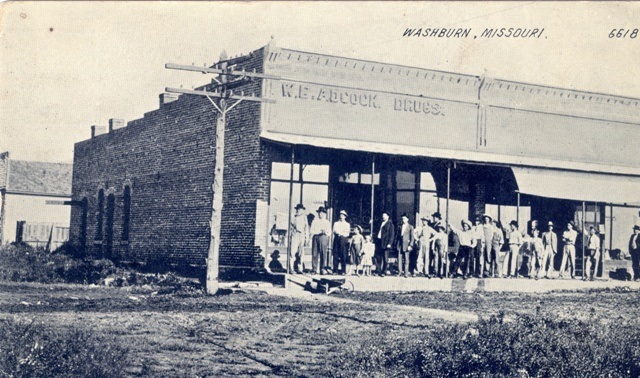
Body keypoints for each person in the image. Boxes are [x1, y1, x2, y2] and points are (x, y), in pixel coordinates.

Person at [309, 206, 331, 274]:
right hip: (316, 237)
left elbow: (329, 232)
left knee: (323, 253)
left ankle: (322, 268)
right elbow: (312, 230)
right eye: (319, 213)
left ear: (324, 214)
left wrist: (325, 232)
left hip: (323, 237)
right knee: (315, 253)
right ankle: (314, 269)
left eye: (321, 213)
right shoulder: (315, 221)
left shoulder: (327, 222)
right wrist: (319, 231)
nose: (320, 214)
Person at [290, 204, 309, 274]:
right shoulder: (293, 217)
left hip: (302, 235)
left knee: (301, 253)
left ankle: (300, 268)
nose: (299, 210)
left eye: (300, 209)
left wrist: (307, 237)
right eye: (298, 209)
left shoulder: (304, 218)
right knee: (293, 251)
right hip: (295, 235)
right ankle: (291, 268)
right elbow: (291, 227)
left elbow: (306, 228)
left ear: (303, 210)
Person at [376, 211, 395, 277]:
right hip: (379, 241)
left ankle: (384, 271)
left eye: (385, 215)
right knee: (378, 257)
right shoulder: (381, 223)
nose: (383, 217)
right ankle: (378, 271)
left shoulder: (390, 224)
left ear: (388, 216)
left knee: (385, 258)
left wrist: (389, 243)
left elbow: (392, 235)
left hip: (385, 243)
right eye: (383, 215)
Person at [332, 210, 351, 274]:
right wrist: (339, 233)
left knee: (343, 255)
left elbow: (347, 233)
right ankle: (335, 270)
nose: (341, 216)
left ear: (345, 216)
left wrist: (341, 233)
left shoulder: (347, 224)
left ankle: (343, 270)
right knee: (336, 254)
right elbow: (334, 231)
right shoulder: (336, 223)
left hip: (343, 239)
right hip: (337, 238)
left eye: (343, 215)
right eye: (340, 215)